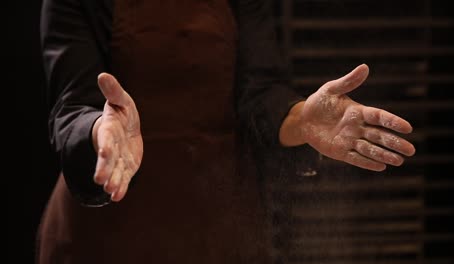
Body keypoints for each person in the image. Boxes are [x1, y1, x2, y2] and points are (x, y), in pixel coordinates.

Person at [37, 0, 416, 263]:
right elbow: (72, 107)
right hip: (110, 229)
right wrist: (100, 130)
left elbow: (260, 94)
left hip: (218, 225)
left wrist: (301, 120)